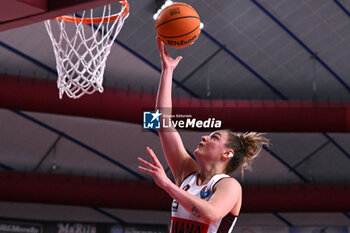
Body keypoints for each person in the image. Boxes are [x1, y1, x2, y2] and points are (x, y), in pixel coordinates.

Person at [138, 37, 270, 233]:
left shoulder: (229, 185)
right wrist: (167, 71)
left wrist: (167, 185)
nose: (204, 137)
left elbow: (210, 214)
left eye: (214, 137)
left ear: (227, 153)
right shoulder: (187, 174)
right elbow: (161, 123)